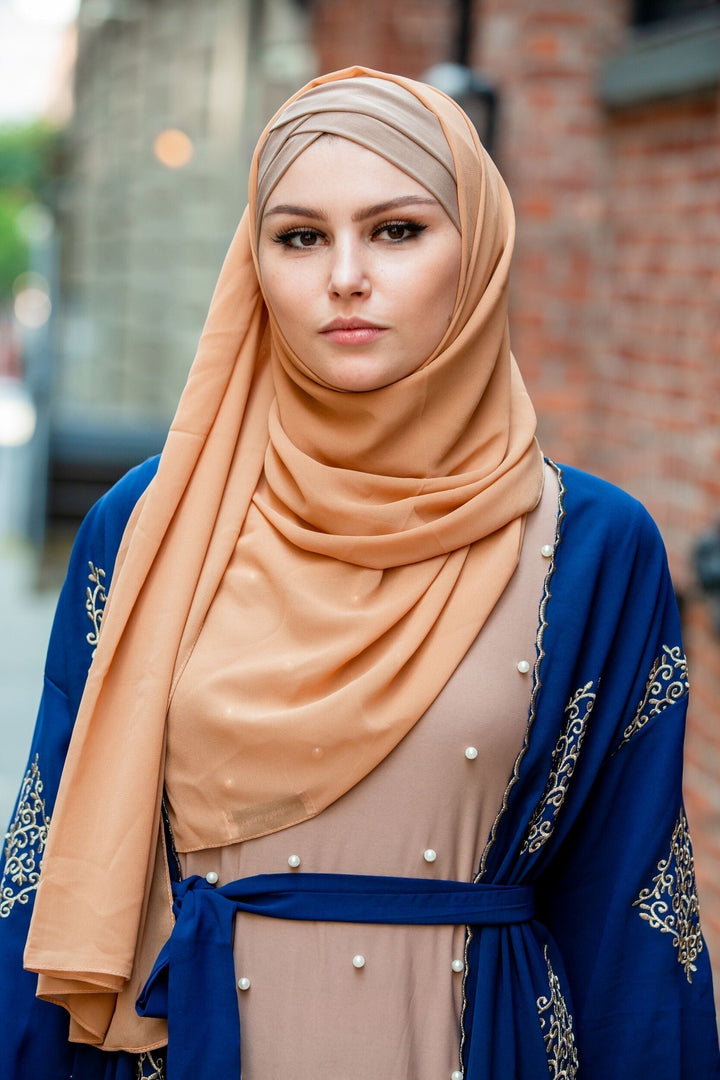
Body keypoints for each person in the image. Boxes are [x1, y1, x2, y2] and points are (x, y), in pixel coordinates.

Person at [0, 66, 718, 1080]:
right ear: (254, 265)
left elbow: (633, 917)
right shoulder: (145, 525)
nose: (345, 275)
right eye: (300, 237)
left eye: (396, 230)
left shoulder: (598, 544)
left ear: (478, 248)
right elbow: (46, 873)